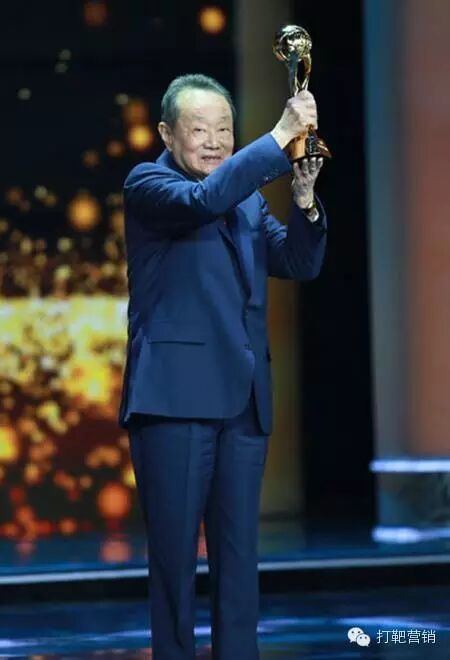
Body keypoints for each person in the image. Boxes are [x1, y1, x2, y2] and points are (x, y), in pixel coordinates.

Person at [119, 73, 326, 659]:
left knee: (239, 561)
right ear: (167, 134)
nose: (214, 142)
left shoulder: (248, 200)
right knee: (175, 564)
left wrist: (305, 202)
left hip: (243, 403)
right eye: (199, 130)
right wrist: (279, 137)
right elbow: (203, 201)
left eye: (224, 130)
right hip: (174, 402)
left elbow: (297, 262)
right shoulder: (149, 184)